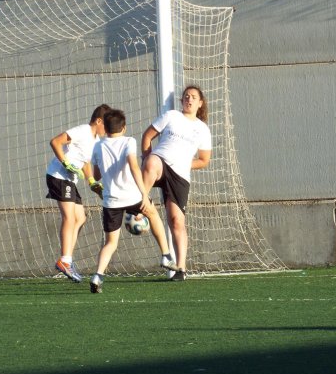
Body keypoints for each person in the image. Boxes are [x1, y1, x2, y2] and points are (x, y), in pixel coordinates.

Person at [89, 109, 178, 294]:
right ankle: (165, 255)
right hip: (132, 196)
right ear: (124, 128)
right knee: (153, 214)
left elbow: (96, 175)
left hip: (111, 201)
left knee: (110, 243)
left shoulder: (97, 146)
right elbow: (134, 166)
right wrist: (144, 195)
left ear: (104, 128)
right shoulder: (129, 141)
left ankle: (97, 276)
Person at [141, 85, 212, 281]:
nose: (189, 99)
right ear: (181, 101)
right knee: (153, 161)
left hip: (180, 175)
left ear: (200, 103)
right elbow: (147, 136)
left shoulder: (203, 129)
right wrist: (146, 158)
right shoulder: (171, 115)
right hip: (160, 164)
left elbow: (204, 160)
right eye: (186, 96)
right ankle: (139, 206)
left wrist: (184, 163)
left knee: (176, 221)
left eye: (193, 97)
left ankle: (181, 269)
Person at [46, 104, 111, 283]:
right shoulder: (83, 131)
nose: (108, 129)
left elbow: (85, 163)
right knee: (69, 217)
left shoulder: (95, 140)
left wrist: (92, 182)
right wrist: (65, 163)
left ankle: (68, 259)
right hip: (58, 176)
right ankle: (64, 261)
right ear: (98, 121)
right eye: (106, 124)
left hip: (69, 180)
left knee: (80, 217)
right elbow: (55, 142)